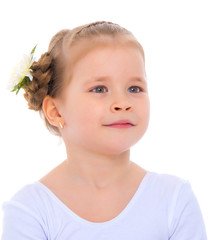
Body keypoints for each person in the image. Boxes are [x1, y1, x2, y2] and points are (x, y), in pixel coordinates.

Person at [2, 21, 207, 239]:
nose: (122, 102)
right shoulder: (30, 211)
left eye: (134, 88)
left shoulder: (174, 200)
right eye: (99, 89)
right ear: (55, 110)